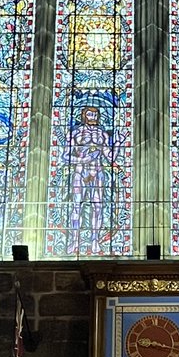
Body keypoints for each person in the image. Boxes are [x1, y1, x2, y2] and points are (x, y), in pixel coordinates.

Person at [68, 106, 111, 251]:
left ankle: (95, 241)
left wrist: (118, 143)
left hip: (97, 171)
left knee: (97, 207)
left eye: (95, 114)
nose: (92, 117)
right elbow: (65, 156)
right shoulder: (76, 133)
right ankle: (75, 241)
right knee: (76, 206)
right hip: (80, 171)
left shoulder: (102, 134)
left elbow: (110, 157)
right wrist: (82, 160)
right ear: (84, 116)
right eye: (89, 114)